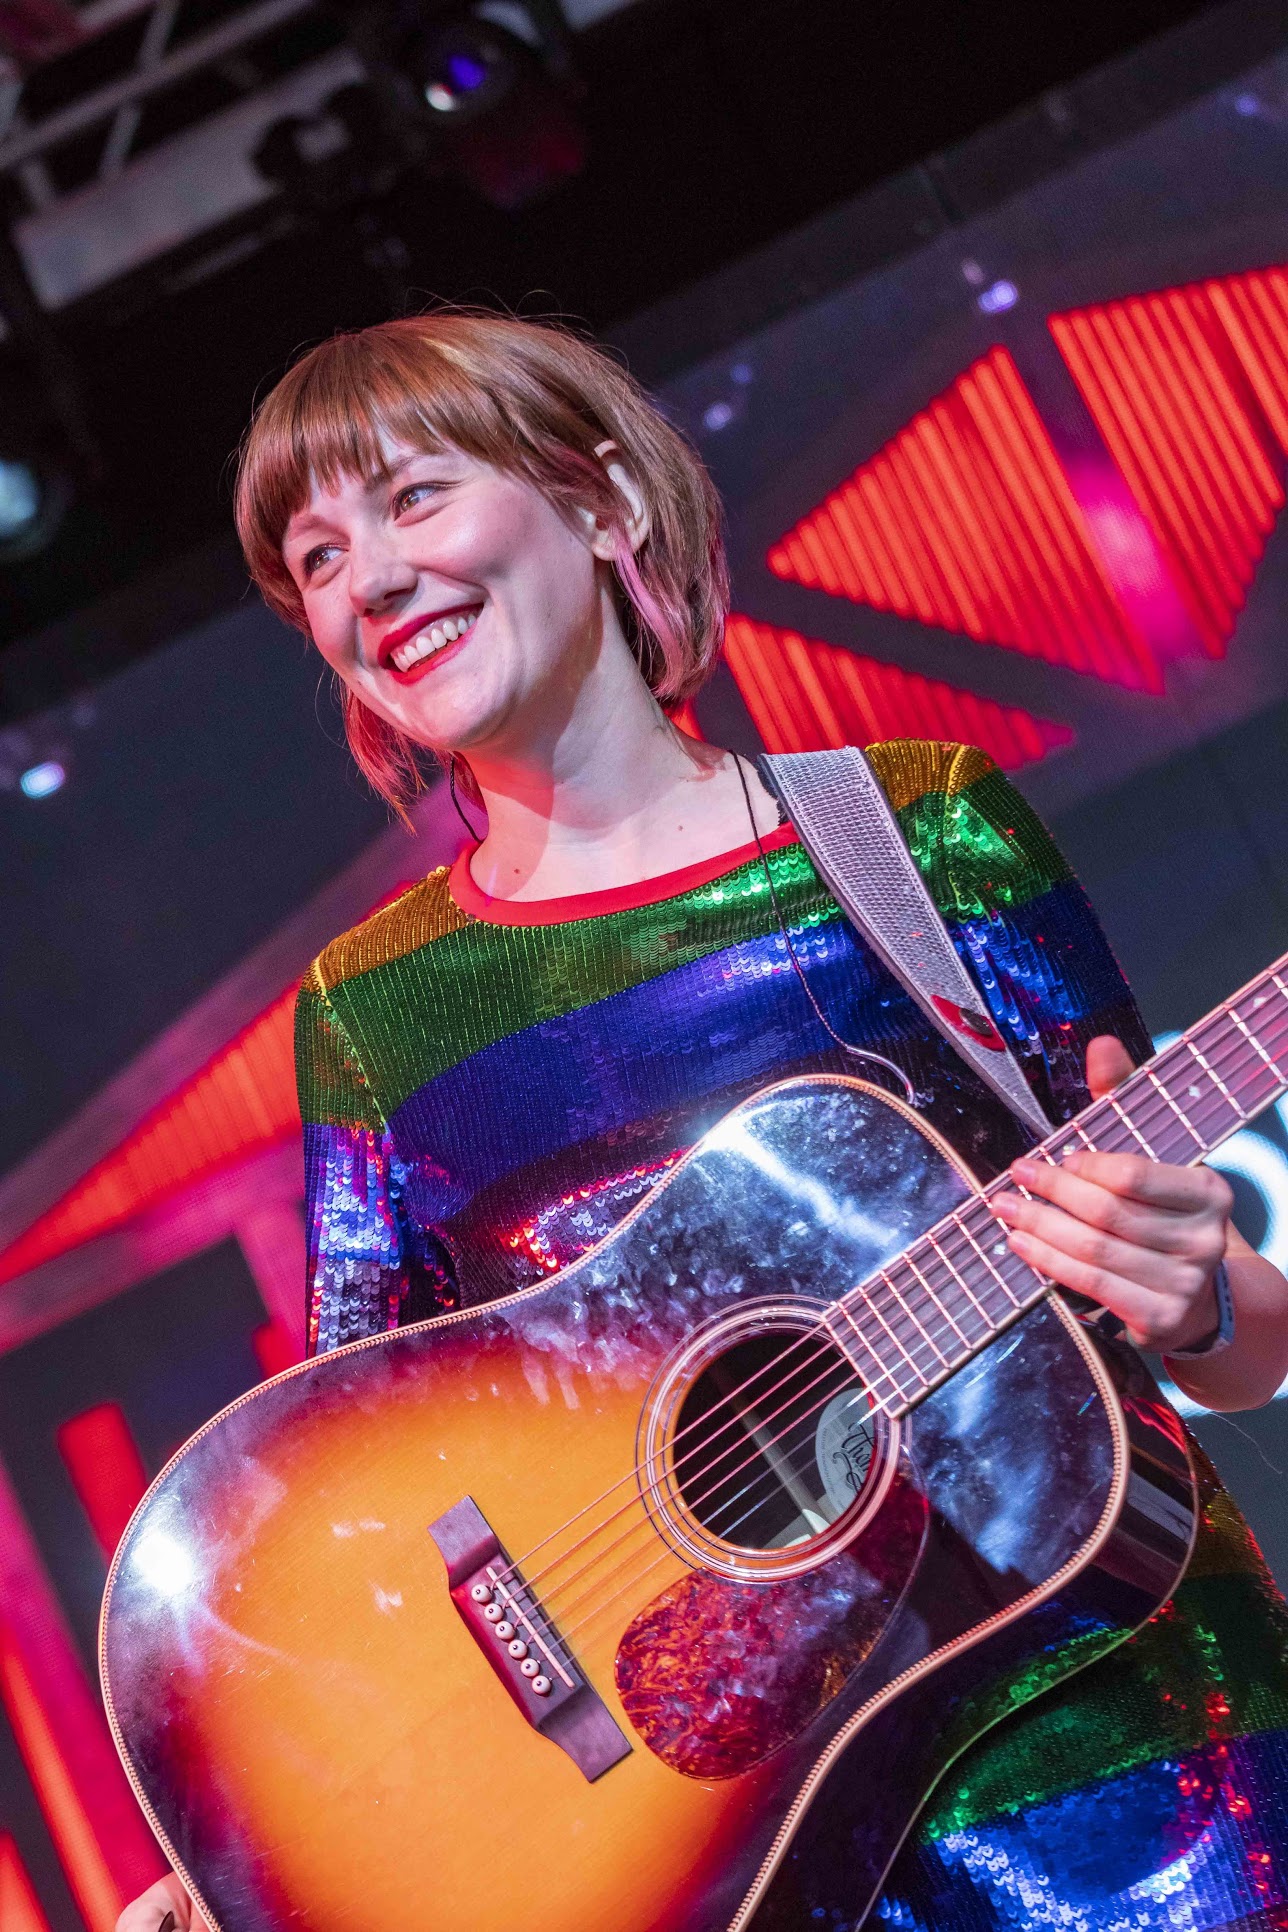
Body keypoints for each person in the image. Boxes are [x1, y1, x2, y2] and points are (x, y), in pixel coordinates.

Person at [118, 311, 1288, 1932]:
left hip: (1136, 1795)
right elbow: (340, 1509)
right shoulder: (371, 1010)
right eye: (315, 557)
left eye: (413, 500)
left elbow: (1221, 1331)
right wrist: (247, 1869)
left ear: (600, 505)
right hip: (720, 1871)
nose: (367, 580)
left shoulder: (914, 827)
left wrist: (1206, 1295)